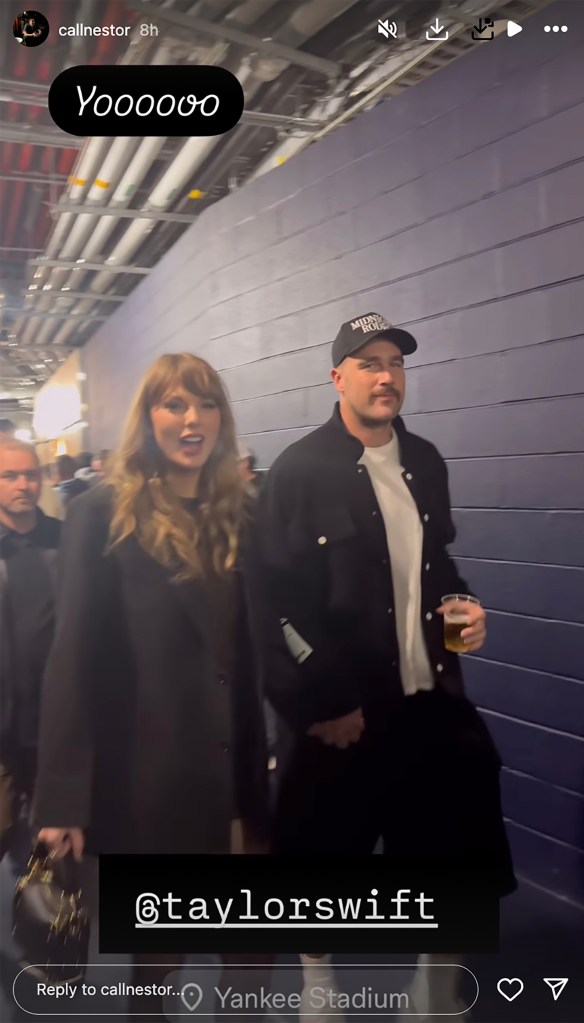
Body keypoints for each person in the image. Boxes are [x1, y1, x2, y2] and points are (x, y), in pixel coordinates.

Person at [251, 312, 516, 1021]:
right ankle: (320, 985)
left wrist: (465, 603)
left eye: (394, 362)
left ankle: (431, 984)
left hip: (426, 697)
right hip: (342, 706)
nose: (384, 375)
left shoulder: (424, 459)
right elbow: (272, 606)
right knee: (318, 852)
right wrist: (317, 707)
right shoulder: (297, 471)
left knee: (451, 843)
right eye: (366, 362)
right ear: (336, 377)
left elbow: (438, 565)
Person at [33, 354, 271, 1019]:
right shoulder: (101, 514)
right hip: (151, 782)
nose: (191, 419)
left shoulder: (241, 514)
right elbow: (71, 657)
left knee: (253, 959)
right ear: (148, 419)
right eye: (174, 404)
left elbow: (261, 644)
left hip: (239, 784)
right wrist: (60, 798)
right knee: (159, 967)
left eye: (205, 404)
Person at [0, 440, 61, 861]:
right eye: (10, 476)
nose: (23, 484)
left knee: (56, 848)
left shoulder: (68, 540)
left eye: (30, 474)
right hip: (2, 731)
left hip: (56, 725)